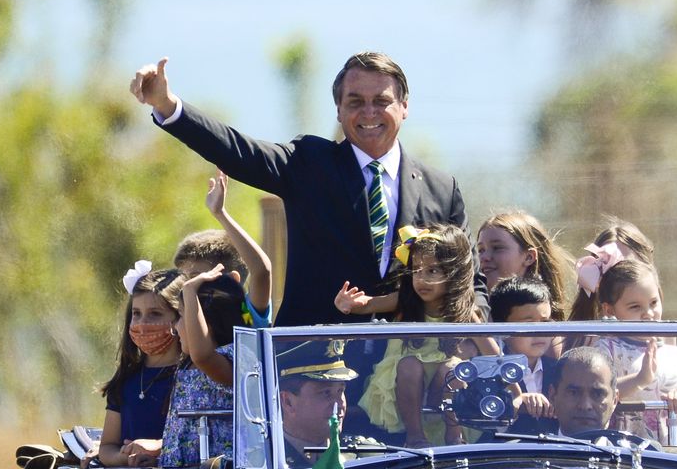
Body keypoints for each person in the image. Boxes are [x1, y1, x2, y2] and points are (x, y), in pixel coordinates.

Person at [130, 52, 485, 326]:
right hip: (314, 364)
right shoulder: (310, 163)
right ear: (338, 110)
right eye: (355, 102)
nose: (369, 112)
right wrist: (167, 106)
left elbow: (472, 279)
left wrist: (477, 323)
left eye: (381, 101)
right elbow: (239, 151)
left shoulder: (441, 188)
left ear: (404, 107)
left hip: (408, 373)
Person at [342, 224, 496, 447]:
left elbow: (492, 352)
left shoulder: (464, 312)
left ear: (453, 272)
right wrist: (350, 304)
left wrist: (517, 391)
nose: (422, 279)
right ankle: (414, 436)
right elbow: (369, 305)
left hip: (444, 384)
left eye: (432, 271)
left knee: (452, 369)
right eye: (416, 270)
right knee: (409, 364)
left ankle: (454, 434)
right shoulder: (406, 301)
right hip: (406, 382)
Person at [592, 259, 677, 444]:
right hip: (617, 460)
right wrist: (640, 380)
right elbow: (594, 397)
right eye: (635, 307)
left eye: (653, 303)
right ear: (609, 309)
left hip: (667, 462)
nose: (648, 313)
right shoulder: (604, 349)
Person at [94, 263, 184, 468]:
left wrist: (158, 448)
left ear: (179, 318)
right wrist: (125, 457)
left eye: (155, 314)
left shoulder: (193, 378)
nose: (143, 323)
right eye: (136, 313)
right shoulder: (126, 381)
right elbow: (108, 446)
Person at [158, 267, 245, 468]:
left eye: (181, 315)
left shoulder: (232, 359)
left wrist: (189, 291)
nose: (175, 327)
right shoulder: (188, 364)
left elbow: (203, 355)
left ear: (206, 321)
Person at [173, 169, 273, 328]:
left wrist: (220, 213)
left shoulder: (245, 313)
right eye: (184, 280)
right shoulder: (183, 320)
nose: (188, 287)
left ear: (232, 279)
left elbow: (262, 271)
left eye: (197, 277)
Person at [276, 339, 358, 468]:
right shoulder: (266, 464)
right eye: (326, 392)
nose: (339, 404)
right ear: (288, 402)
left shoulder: (364, 456)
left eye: (340, 390)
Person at [488, 276, 558, 428]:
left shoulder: (560, 371)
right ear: (501, 329)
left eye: (545, 323)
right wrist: (515, 402)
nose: (539, 331)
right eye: (528, 324)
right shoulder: (490, 372)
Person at [476, 208, 571, 320]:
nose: (484, 257)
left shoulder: (548, 321)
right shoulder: (471, 313)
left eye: (497, 248)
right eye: (480, 250)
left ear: (529, 257)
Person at [569, 220, 655, 322]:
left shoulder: (664, 331)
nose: (624, 279)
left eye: (631, 269)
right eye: (611, 270)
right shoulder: (580, 333)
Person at [548, 347, 620, 436]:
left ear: (615, 400)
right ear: (552, 395)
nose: (585, 406)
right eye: (573, 393)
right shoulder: (531, 449)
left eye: (597, 394)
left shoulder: (632, 450)